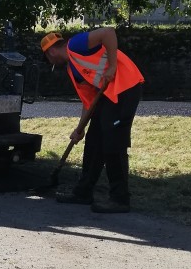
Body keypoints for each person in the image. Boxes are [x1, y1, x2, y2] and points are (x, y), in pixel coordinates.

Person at [41, 28, 144, 213]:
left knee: (113, 142)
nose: (51, 63)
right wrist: (79, 129)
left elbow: (108, 33)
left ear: (51, 51)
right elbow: (89, 103)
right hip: (107, 95)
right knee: (94, 140)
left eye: (48, 59)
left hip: (125, 86)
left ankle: (120, 199)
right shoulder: (74, 70)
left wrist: (112, 66)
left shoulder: (77, 45)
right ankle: (83, 192)